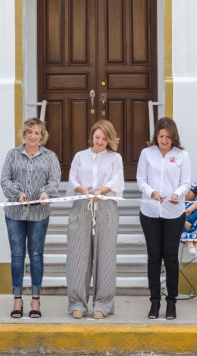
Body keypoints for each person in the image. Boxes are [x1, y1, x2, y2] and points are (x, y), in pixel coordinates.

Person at [0, 118, 61, 319]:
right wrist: (18, 194)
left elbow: (54, 181)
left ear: (42, 135)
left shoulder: (50, 156)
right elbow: (5, 180)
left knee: (36, 255)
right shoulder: (12, 154)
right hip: (15, 213)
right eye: (30, 132)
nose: (33, 136)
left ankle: (36, 299)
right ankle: (17, 299)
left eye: (37, 132)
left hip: (39, 214)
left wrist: (45, 194)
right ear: (23, 133)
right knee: (17, 256)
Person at [66, 119, 124, 319]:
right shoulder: (80, 156)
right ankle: (77, 303)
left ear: (109, 139)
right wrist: (82, 189)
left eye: (104, 138)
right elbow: (72, 178)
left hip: (106, 205)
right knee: (78, 255)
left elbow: (116, 179)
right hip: (82, 204)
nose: (100, 141)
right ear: (92, 136)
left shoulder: (115, 158)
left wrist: (103, 191)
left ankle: (103, 303)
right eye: (97, 137)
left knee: (105, 254)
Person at [137, 116, 191, 320]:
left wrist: (177, 193)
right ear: (156, 136)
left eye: (168, 137)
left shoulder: (182, 155)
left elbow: (186, 182)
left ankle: (171, 302)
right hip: (150, 212)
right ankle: (154, 302)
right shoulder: (146, 154)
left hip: (173, 213)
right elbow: (141, 180)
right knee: (153, 257)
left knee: (170, 257)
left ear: (174, 137)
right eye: (161, 136)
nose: (164, 140)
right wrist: (152, 193)